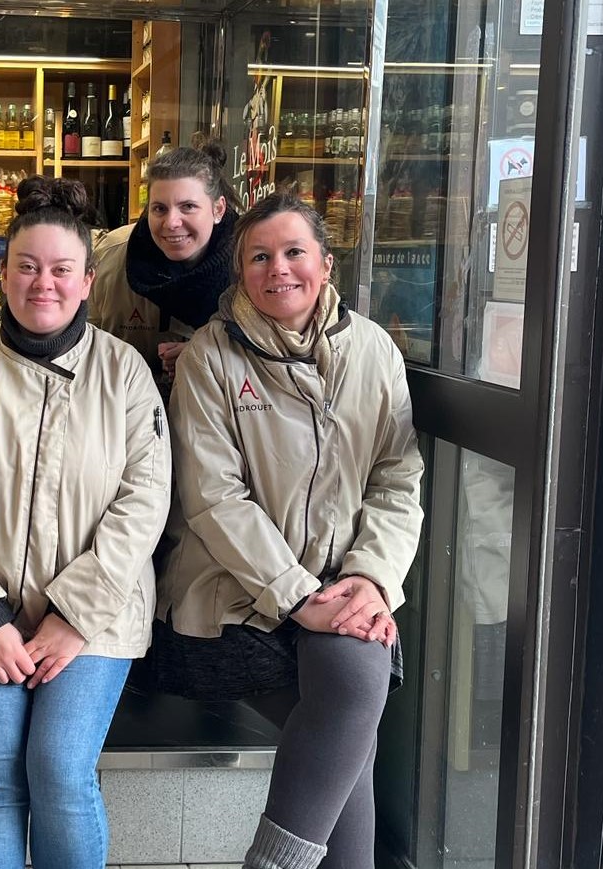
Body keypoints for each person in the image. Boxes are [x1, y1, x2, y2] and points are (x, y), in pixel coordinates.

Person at [0, 175, 172, 869]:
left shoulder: (125, 374)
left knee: (57, 768)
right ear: (4, 276)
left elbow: (144, 502)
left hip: (98, 616)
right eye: (27, 267)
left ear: (88, 280)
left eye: (61, 270)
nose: (43, 283)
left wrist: (73, 615)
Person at [155, 190, 424, 869]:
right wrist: (302, 595)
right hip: (235, 596)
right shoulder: (211, 357)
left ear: (326, 265)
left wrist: (368, 578)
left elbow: (398, 478)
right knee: (352, 706)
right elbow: (214, 498)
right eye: (259, 257)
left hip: (343, 589)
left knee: (351, 692)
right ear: (239, 272)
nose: (279, 269)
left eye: (294, 252)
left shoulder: (374, 351)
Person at [89, 140, 242, 392]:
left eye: (188, 207)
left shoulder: (252, 264)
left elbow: (276, 359)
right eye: (159, 209)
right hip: (127, 417)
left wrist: (204, 357)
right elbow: (83, 351)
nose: (171, 222)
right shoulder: (110, 257)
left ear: (218, 209)